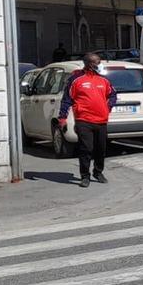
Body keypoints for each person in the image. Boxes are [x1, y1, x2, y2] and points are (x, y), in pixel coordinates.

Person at [58, 53, 118, 188]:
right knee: (86, 148)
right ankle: (85, 176)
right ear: (90, 64)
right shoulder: (76, 79)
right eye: (97, 61)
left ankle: (98, 172)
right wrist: (62, 118)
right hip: (84, 120)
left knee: (101, 149)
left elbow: (113, 95)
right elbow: (67, 100)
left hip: (101, 120)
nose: (100, 64)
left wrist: (107, 107)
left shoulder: (103, 80)